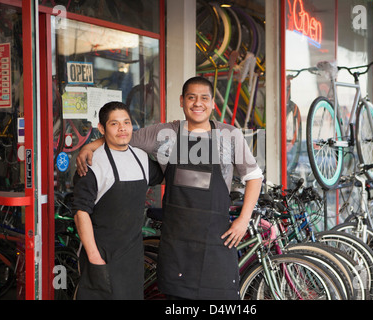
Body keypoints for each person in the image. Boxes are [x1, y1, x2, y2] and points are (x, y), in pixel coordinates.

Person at [76, 77, 263, 300]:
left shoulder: (230, 135)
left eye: (204, 98)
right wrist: (92, 144)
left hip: (216, 242)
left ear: (213, 103)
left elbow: (254, 177)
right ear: (182, 101)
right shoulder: (164, 133)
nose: (198, 103)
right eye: (191, 98)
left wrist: (243, 220)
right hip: (177, 245)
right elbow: (123, 137)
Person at [72, 101, 163, 300]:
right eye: (114, 124)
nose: (122, 128)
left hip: (132, 255)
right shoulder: (92, 163)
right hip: (100, 253)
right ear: (102, 129)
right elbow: (81, 214)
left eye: (127, 122)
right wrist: (94, 256)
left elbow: (168, 175)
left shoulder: (141, 157)